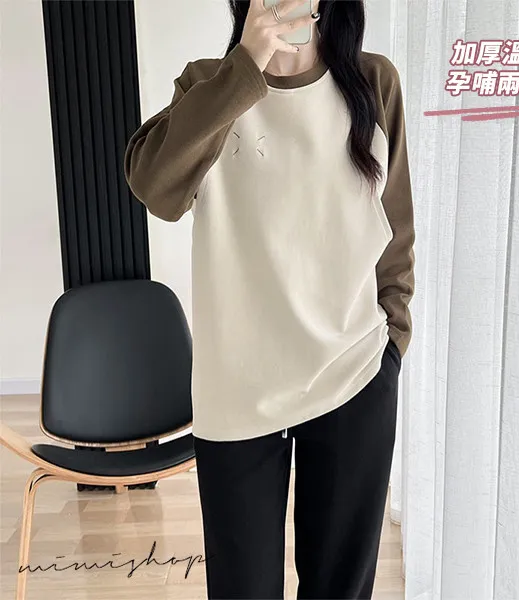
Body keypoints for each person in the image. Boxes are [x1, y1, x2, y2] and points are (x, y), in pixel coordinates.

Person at [124, 0, 415, 597]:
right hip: (238, 390)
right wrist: (247, 65)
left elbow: (396, 227)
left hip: (354, 371)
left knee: (339, 588)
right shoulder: (208, 83)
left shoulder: (373, 82)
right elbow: (155, 188)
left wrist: (394, 337)